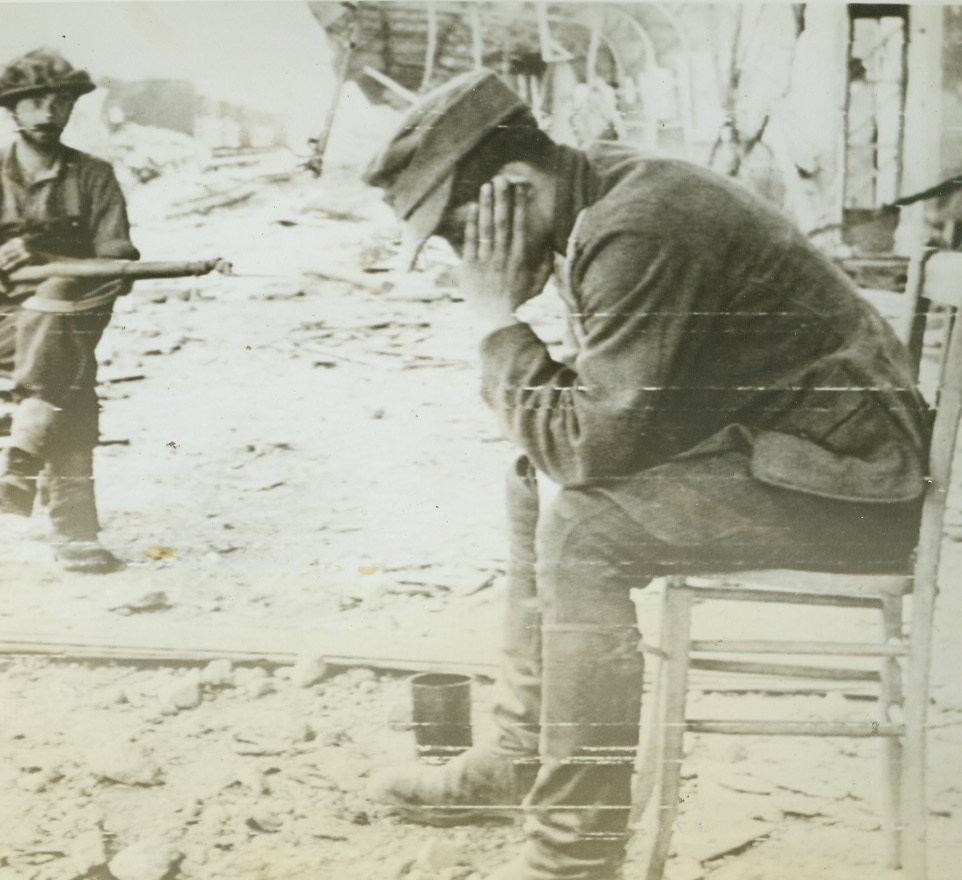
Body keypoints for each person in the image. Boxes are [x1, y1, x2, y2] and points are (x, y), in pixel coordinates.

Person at [361, 70, 928, 880]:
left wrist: (494, 322)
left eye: (461, 234)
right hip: (799, 450)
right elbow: (584, 433)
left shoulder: (639, 228)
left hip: (861, 485)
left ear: (515, 188)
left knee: (585, 533)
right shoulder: (598, 195)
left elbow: (589, 445)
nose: (466, 261)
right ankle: (526, 760)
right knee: (535, 481)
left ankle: (574, 857)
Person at [0, 48, 139, 574]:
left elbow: (118, 266)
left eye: (59, 101)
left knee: (61, 304)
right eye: (33, 101)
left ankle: (20, 467)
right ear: (11, 110)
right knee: (71, 368)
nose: (47, 112)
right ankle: (74, 528)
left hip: (68, 316)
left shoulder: (95, 176)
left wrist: (53, 262)